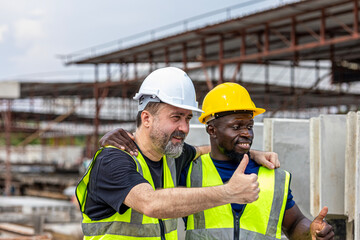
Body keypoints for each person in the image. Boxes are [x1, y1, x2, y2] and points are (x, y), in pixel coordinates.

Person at [76, 67, 278, 240]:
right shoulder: (113, 160)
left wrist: (250, 153)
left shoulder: (172, 157)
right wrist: (228, 192)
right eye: (176, 117)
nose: (184, 127)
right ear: (147, 118)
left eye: (188, 118)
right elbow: (150, 204)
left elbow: (204, 150)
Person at [180, 82, 334, 239]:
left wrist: (311, 232)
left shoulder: (273, 177)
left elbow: (294, 223)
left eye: (249, 126)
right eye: (236, 127)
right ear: (212, 130)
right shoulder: (190, 172)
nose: (247, 133)